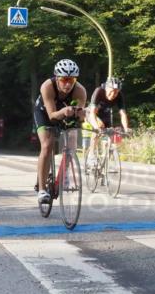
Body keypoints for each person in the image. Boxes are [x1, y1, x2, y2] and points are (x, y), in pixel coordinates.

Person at [33, 59, 88, 204]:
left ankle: (63, 176)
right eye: (64, 80)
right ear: (57, 78)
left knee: (72, 143)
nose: (68, 84)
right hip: (45, 114)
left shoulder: (80, 91)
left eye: (72, 80)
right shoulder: (47, 86)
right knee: (47, 144)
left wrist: (81, 116)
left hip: (65, 114)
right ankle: (42, 189)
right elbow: (52, 116)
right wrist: (64, 111)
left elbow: (79, 117)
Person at [87, 76, 130, 166]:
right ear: (106, 88)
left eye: (116, 92)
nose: (113, 95)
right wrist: (96, 128)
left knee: (110, 133)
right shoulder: (98, 91)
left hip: (105, 114)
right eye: (111, 91)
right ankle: (91, 155)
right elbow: (92, 113)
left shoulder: (119, 96)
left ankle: (104, 159)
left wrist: (126, 128)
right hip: (92, 113)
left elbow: (122, 114)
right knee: (98, 128)